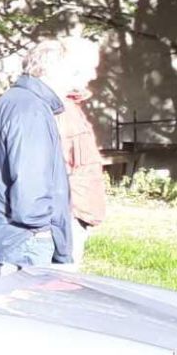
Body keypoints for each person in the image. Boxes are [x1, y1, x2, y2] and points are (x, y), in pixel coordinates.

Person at [0, 35, 97, 267]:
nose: (76, 81)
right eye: (73, 73)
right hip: (22, 243)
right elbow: (30, 191)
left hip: (11, 240)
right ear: (53, 71)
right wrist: (46, 232)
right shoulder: (30, 110)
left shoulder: (23, 102)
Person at [56, 82, 107, 264]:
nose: (92, 75)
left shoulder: (72, 109)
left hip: (81, 206)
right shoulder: (62, 111)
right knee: (63, 279)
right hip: (72, 210)